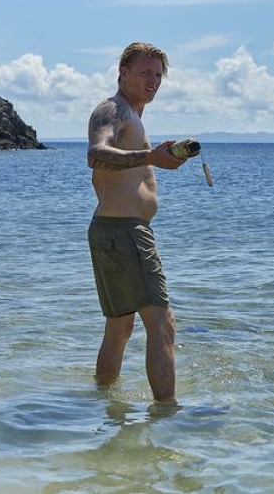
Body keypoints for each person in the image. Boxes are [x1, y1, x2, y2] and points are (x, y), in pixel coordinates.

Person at [86, 42, 187, 403]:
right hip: (126, 232)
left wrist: (157, 156)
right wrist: (150, 156)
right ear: (123, 73)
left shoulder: (130, 114)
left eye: (158, 75)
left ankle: (104, 402)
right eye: (145, 72)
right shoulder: (114, 110)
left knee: (119, 326)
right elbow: (96, 154)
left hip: (112, 231)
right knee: (163, 324)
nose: (153, 81)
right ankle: (167, 413)